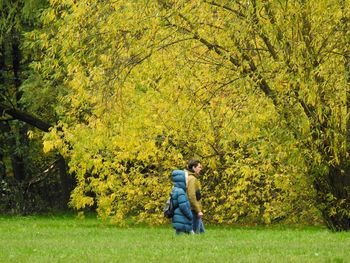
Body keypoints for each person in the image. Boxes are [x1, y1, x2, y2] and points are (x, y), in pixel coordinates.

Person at [171, 169, 193, 235]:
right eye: (186, 178)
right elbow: (183, 206)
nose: (187, 180)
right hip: (182, 218)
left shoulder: (175, 189)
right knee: (185, 236)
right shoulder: (181, 191)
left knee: (179, 237)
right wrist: (190, 215)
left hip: (178, 217)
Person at [186, 159, 205, 234]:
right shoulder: (192, 179)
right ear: (194, 168)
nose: (200, 169)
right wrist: (198, 210)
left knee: (202, 233)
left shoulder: (189, 177)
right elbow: (191, 195)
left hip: (193, 208)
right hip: (193, 209)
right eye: (199, 167)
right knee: (195, 233)